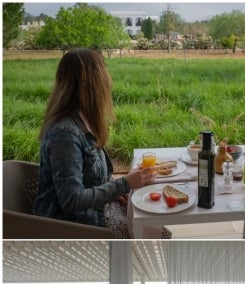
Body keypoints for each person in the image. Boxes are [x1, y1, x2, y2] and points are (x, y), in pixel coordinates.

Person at [33, 48, 158, 238]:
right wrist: (123, 184)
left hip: (95, 210)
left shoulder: (83, 121)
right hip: (74, 226)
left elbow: (88, 177)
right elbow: (71, 200)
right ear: (93, 82)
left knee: (153, 224)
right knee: (150, 230)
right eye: (104, 73)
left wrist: (114, 189)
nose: (108, 80)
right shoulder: (65, 134)